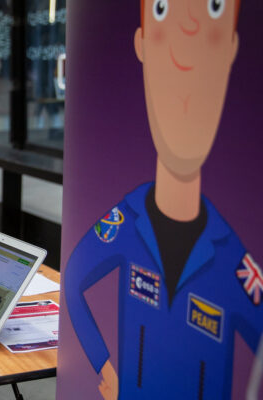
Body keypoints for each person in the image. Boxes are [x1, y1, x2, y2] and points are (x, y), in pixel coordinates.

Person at [63, 0, 262, 399]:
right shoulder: (126, 221)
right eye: (162, 10)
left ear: (230, 51)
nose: (184, 54)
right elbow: (72, 280)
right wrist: (104, 365)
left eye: (214, 9)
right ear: (142, 47)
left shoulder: (233, 262)